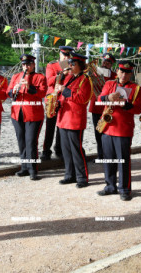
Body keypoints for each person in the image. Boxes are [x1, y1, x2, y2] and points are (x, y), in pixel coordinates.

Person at [96, 60, 141, 201]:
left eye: (127, 73)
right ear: (117, 71)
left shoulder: (136, 88)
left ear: (131, 74)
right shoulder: (109, 84)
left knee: (123, 161)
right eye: (122, 71)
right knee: (108, 160)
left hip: (123, 129)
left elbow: (138, 109)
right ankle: (110, 186)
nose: (124, 75)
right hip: (107, 127)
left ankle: (125, 189)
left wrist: (124, 105)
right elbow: (99, 99)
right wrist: (107, 97)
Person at [56, 53, 93, 188]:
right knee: (66, 150)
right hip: (63, 118)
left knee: (76, 150)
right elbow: (62, 96)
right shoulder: (68, 78)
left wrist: (64, 90)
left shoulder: (85, 79)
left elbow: (83, 99)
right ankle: (69, 175)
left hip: (75, 119)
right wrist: (57, 101)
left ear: (81, 66)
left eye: (73, 64)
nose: (70, 66)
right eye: (70, 63)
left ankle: (82, 177)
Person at [7, 54, 47, 180]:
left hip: (33, 114)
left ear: (33, 64)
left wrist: (29, 87)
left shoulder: (40, 77)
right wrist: (14, 90)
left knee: (31, 142)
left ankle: (33, 169)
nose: (26, 67)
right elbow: (8, 93)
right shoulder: (15, 76)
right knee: (21, 141)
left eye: (29, 64)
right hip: (17, 113)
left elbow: (42, 93)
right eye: (24, 64)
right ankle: (24, 167)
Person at [40, 46, 74, 160]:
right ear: (60, 54)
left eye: (68, 55)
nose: (66, 57)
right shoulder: (52, 65)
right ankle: (46, 150)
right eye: (64, 55)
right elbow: (49, 82)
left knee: (62, 127)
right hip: (53, 99)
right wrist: (62, 73)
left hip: (65, 100)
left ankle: (59, 149)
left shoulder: (73, 66)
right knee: (50, 126)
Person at [89, 53, 117, 160]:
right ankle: (100, 155)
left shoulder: (115, 76)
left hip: (109, 108)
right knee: (98, 132)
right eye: (104, 61)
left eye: (108, 62)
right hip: (96, 106)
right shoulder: (94, 74)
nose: (105, 64)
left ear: (111, 64)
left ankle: (109, 154)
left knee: (109, 132)